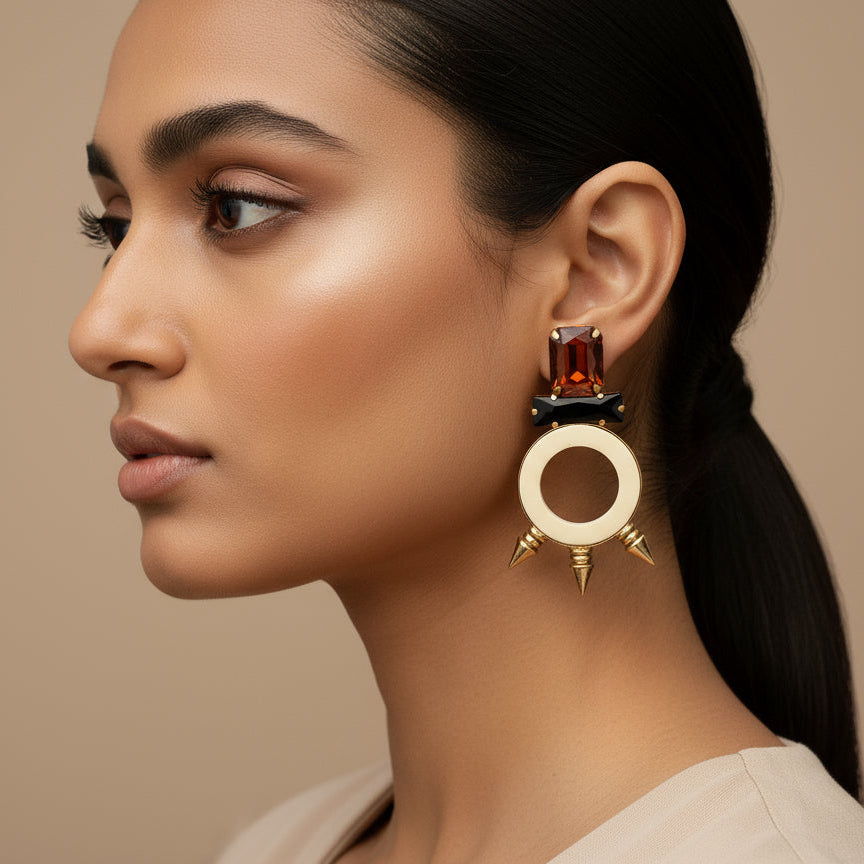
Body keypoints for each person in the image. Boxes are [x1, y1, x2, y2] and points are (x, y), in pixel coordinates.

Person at [70, 0, 864, 862]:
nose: (99, 331)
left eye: (237, 208)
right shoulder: (275, 848)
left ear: (596, 273)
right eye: (114, 227)